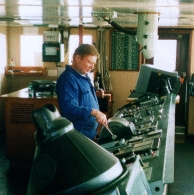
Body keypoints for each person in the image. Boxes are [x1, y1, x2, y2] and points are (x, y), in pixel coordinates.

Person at [56, 44, 108, 140]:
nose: (92, 67)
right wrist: (94, 112)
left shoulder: (84, 77)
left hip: (88, 133)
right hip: (78, 134)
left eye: (94, 63)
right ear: (77, 58)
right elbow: (68, 108)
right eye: (89, 62)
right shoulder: (68, 79)